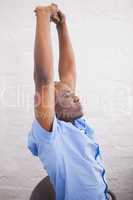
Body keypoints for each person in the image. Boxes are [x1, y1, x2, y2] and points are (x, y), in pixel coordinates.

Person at [27, 3, 111, 200]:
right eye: (66, 96)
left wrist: (61, 26)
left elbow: (69, 71)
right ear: (50, 108)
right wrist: (43, 15)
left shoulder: (76, 125)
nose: (76, 96)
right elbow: (43, 80)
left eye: (71, 93)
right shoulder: (52, 137)